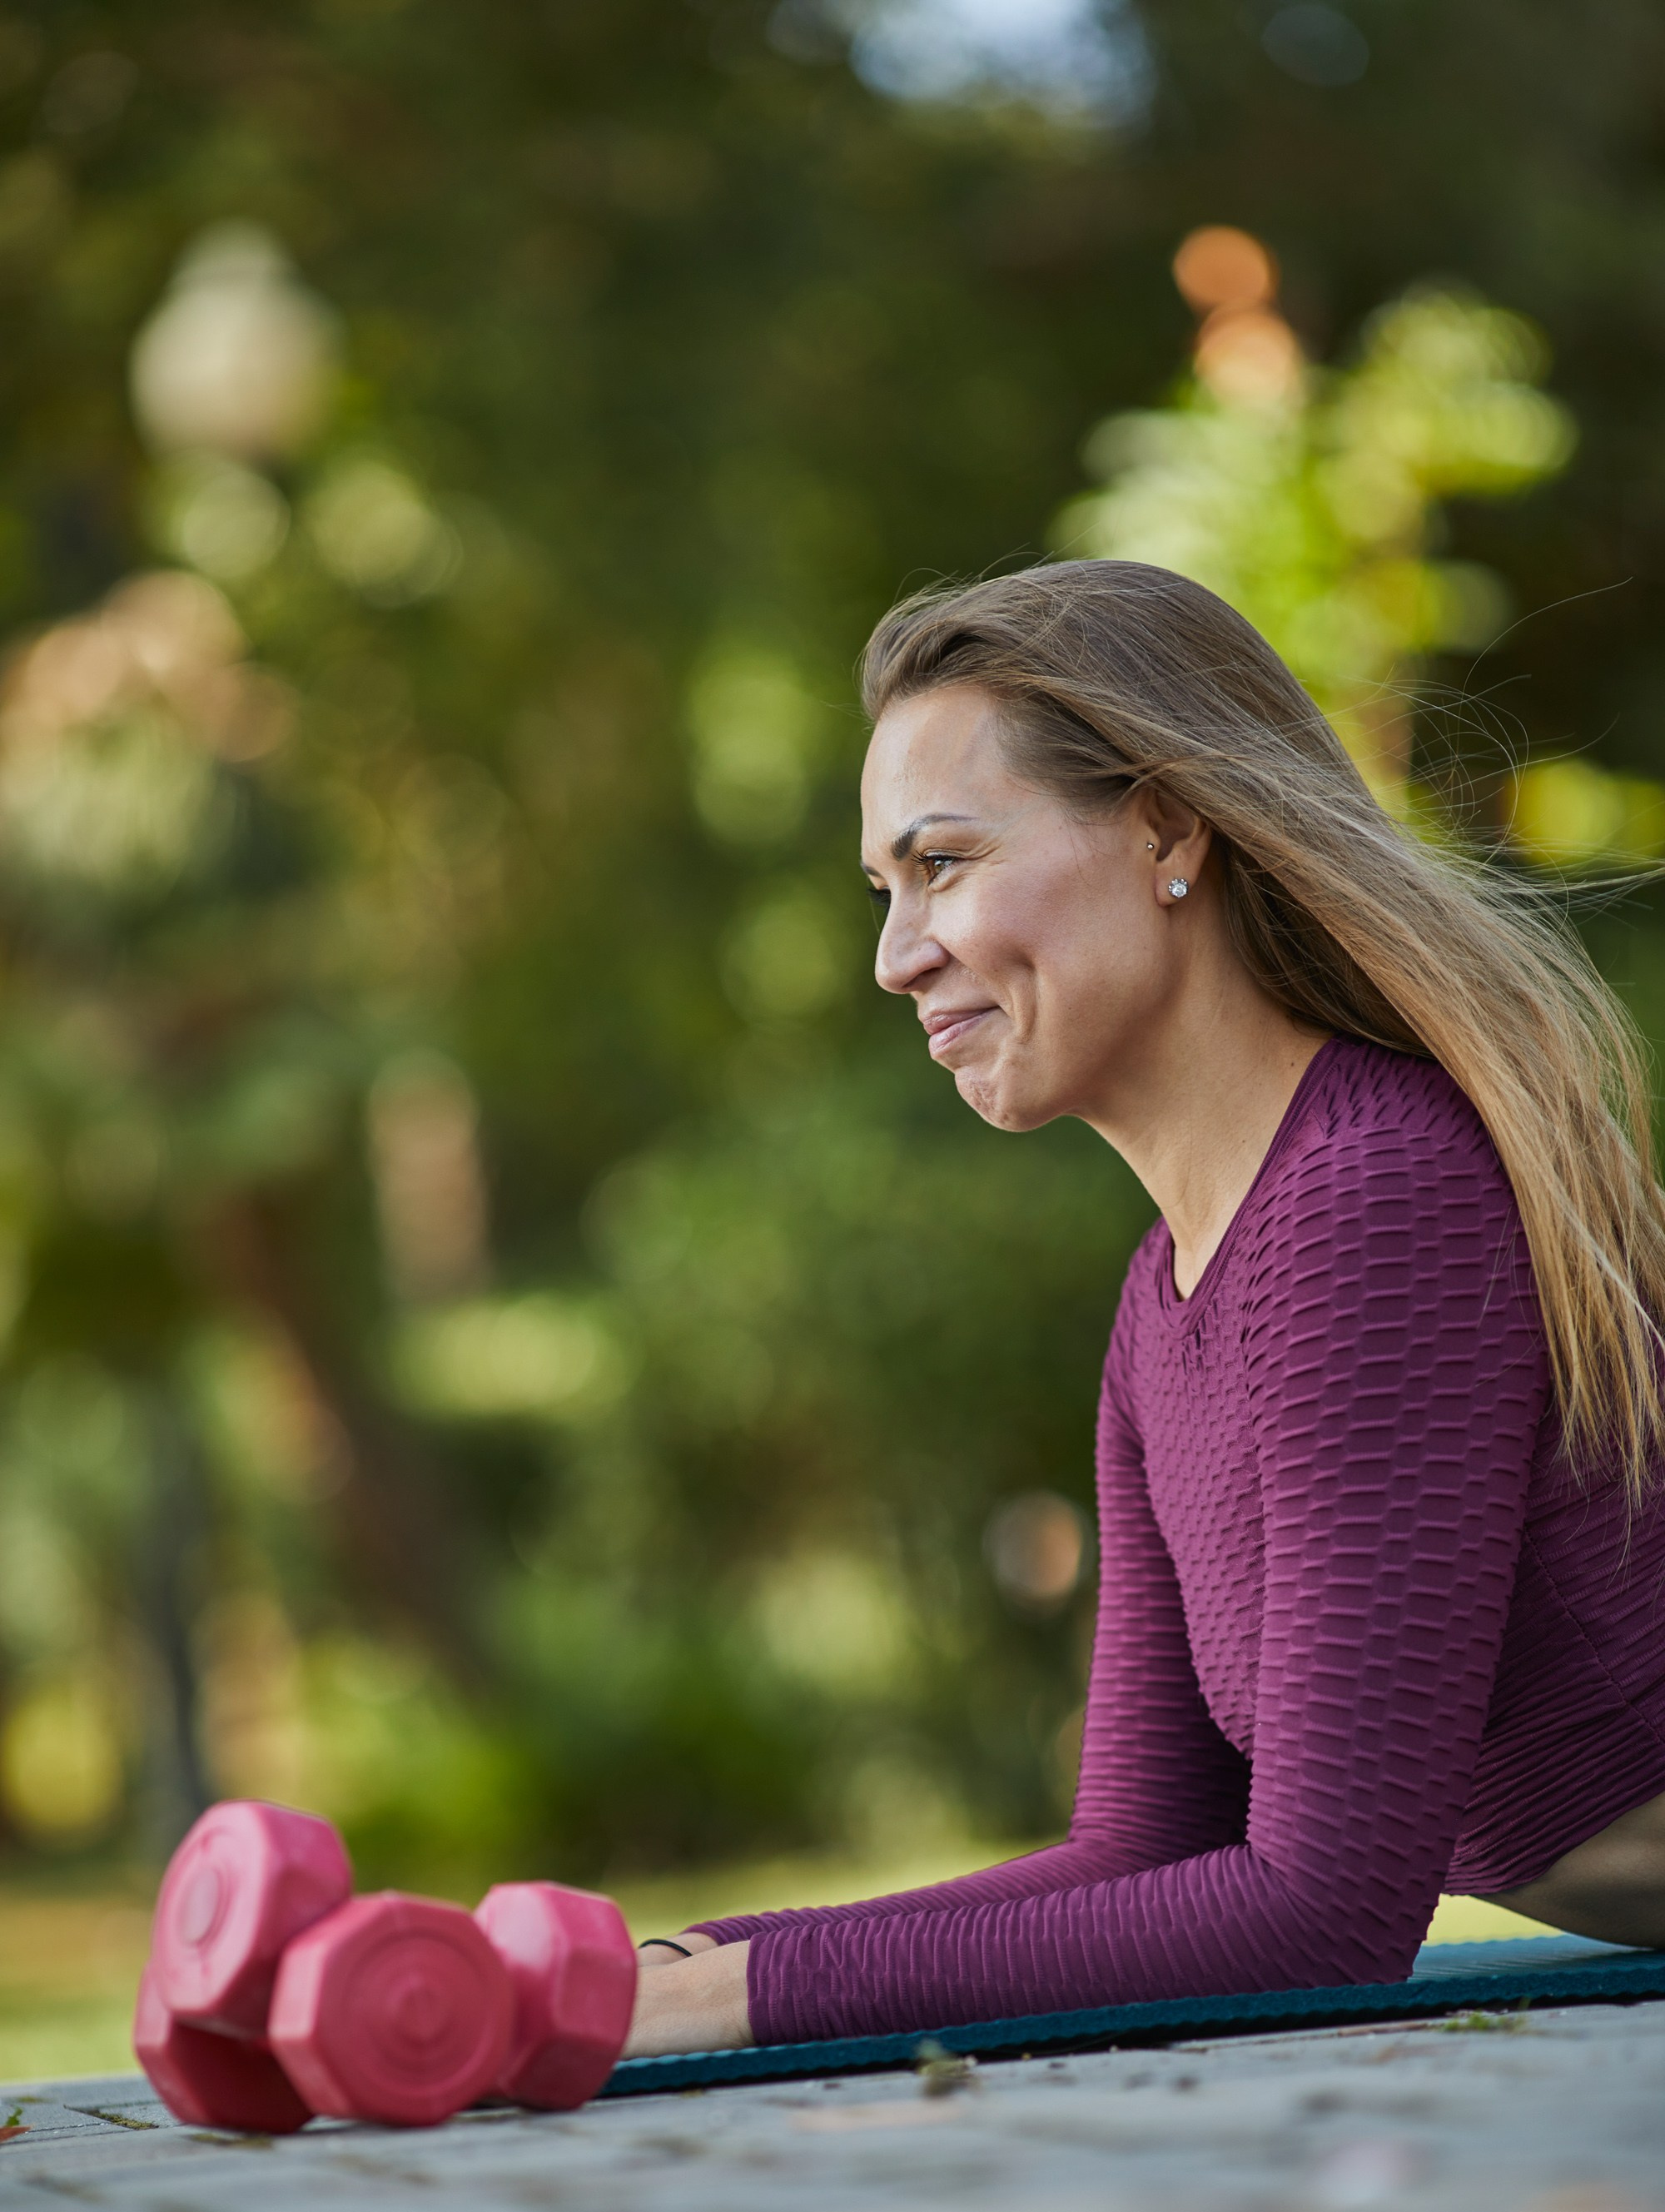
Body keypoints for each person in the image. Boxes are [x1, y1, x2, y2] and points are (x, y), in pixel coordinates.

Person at [623, 558, 1665, 2060]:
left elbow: (1323, 1917)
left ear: (1170, 828)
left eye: (947, 863)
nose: (894, 953)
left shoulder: (1376, 1200)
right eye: (885, 887)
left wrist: (717, 2004)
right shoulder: (1168, 1298)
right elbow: (1144, 1862)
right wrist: (679, 1956)